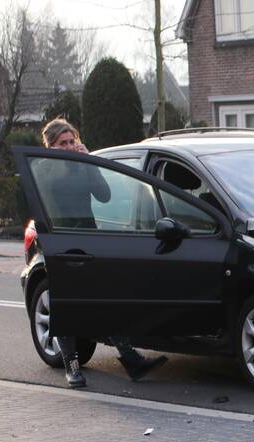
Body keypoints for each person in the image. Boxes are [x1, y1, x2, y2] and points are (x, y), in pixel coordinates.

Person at [40, 118, 168, 389]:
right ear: (51, 146)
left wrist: (90, 165)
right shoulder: (44, 168)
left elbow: (105, 195)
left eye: (72, 140)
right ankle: (72, 367)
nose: (70, 146)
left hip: (87, 238)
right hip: (60, 242)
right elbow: (49, 191)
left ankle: (131, 359)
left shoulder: (80, 167)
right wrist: (68, 163)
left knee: (105, 299)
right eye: (63, 143)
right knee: (67, 305)